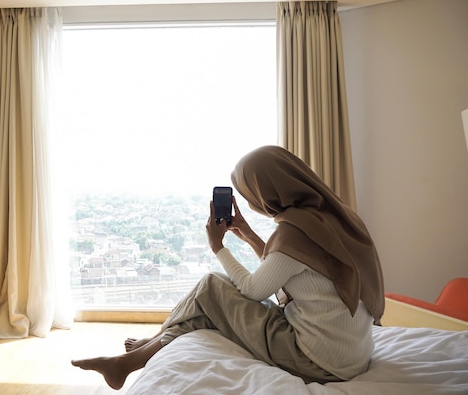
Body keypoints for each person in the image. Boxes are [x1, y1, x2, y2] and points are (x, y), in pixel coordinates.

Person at [71, 145, 385, 389]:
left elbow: (253, 289)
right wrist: (248, 234)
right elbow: (294, 271)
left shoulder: (294, 233)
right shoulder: (332, 218)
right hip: (352, 355)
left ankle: (135, 356)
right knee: (210, 306)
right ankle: (140, 353)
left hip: (318, 361)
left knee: (211, 286)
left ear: (269, 192)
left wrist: (217, 246)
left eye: (249, 194)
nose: (249, 201)